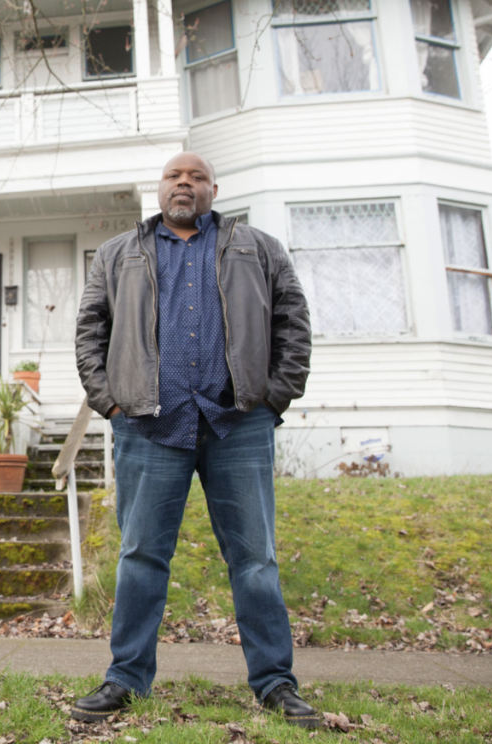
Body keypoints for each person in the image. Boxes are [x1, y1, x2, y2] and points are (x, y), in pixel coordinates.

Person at [71, 152, 317, 727]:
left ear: (213, 188)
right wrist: (110, 402)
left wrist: (276, 395)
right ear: (159, 188)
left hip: (238, 423)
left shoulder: (257, 248)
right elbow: (89, 330)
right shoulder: (117, 254)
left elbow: (293, 319)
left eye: (196, 177)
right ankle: (126, 679)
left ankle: (275, 684)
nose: (185, 183)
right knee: (140, 556)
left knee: (255, 559)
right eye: (174, 176)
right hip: (149, 426)